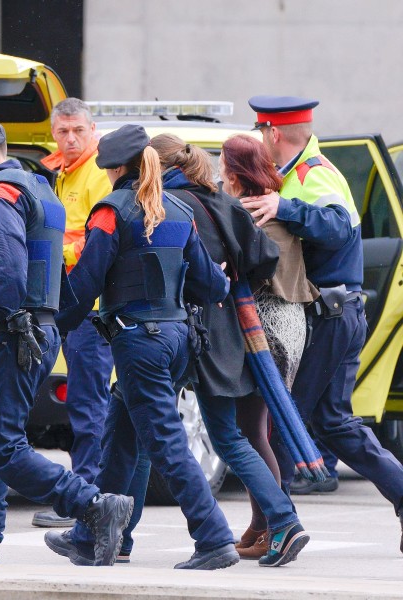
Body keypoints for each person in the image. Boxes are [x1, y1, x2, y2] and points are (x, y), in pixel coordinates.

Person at [47, 124, 239, 570]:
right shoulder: (177, 210)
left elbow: (87, 281)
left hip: (138, 343)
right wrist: (223, 278)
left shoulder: (112, 213)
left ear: (114, 169)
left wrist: (54, 324)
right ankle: (95, 535)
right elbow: (211, 286)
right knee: (120, 439)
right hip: (175, 342)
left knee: (167, 445)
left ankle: (213, 538)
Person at [0, 117, 133, 566]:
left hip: (13, 332)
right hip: (41, 328)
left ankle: (92, 505)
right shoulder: (40, 190)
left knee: (3, 445)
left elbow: (6, 272)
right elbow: (50, 268)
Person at [242, 96, 403, 554]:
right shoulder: (296, 174)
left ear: (274, 132)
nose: (259, 138)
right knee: (331, 422)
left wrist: (283, 207)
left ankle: (279, 527)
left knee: (282, 421)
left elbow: (337, 228)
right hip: (337, 313)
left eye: (260, 130)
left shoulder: (315, 174)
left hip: (330, 316)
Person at [152, 133, 309, 565]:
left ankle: (281, 520)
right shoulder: (220, 201)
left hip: (206, 331)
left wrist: (218, 279)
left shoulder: (180, 205)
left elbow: (184, 269)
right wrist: (235, 276)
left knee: (231, 436)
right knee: (241, 434)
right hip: (235, 333)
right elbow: (264, 256)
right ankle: (275, 522)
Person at [218, 133, 318, 558]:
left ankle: (275, 524)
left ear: (235, 173)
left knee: (251, 432)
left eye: (222, 165)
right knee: (257, 429)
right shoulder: (275, 206)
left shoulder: (246, 212)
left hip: (263, 331)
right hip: (291, 325)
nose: (219, 173)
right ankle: (262, 526)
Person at [34, 99, 114, 528]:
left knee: (88, 403)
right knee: (84, 404)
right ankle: (86, 492)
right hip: (65, 301)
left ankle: (89, 499)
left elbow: (94, 239)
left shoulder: (97, 172)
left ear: (91, 128)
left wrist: (49, 250)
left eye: (78, 131)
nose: (70, 139)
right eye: (63, 131)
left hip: (89, 305)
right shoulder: (61, 173)